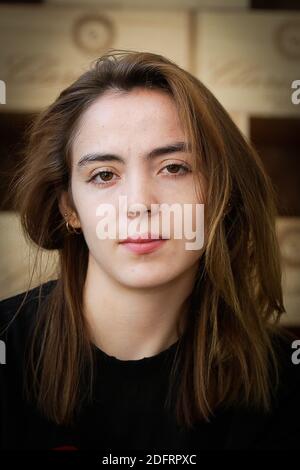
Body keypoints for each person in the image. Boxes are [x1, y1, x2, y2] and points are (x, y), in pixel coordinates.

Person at [0, 49, 299, 451]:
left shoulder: (281, 383)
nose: (139, 203)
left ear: (221, 193)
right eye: (104, 175)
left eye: (174, 167)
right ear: (69, 208)